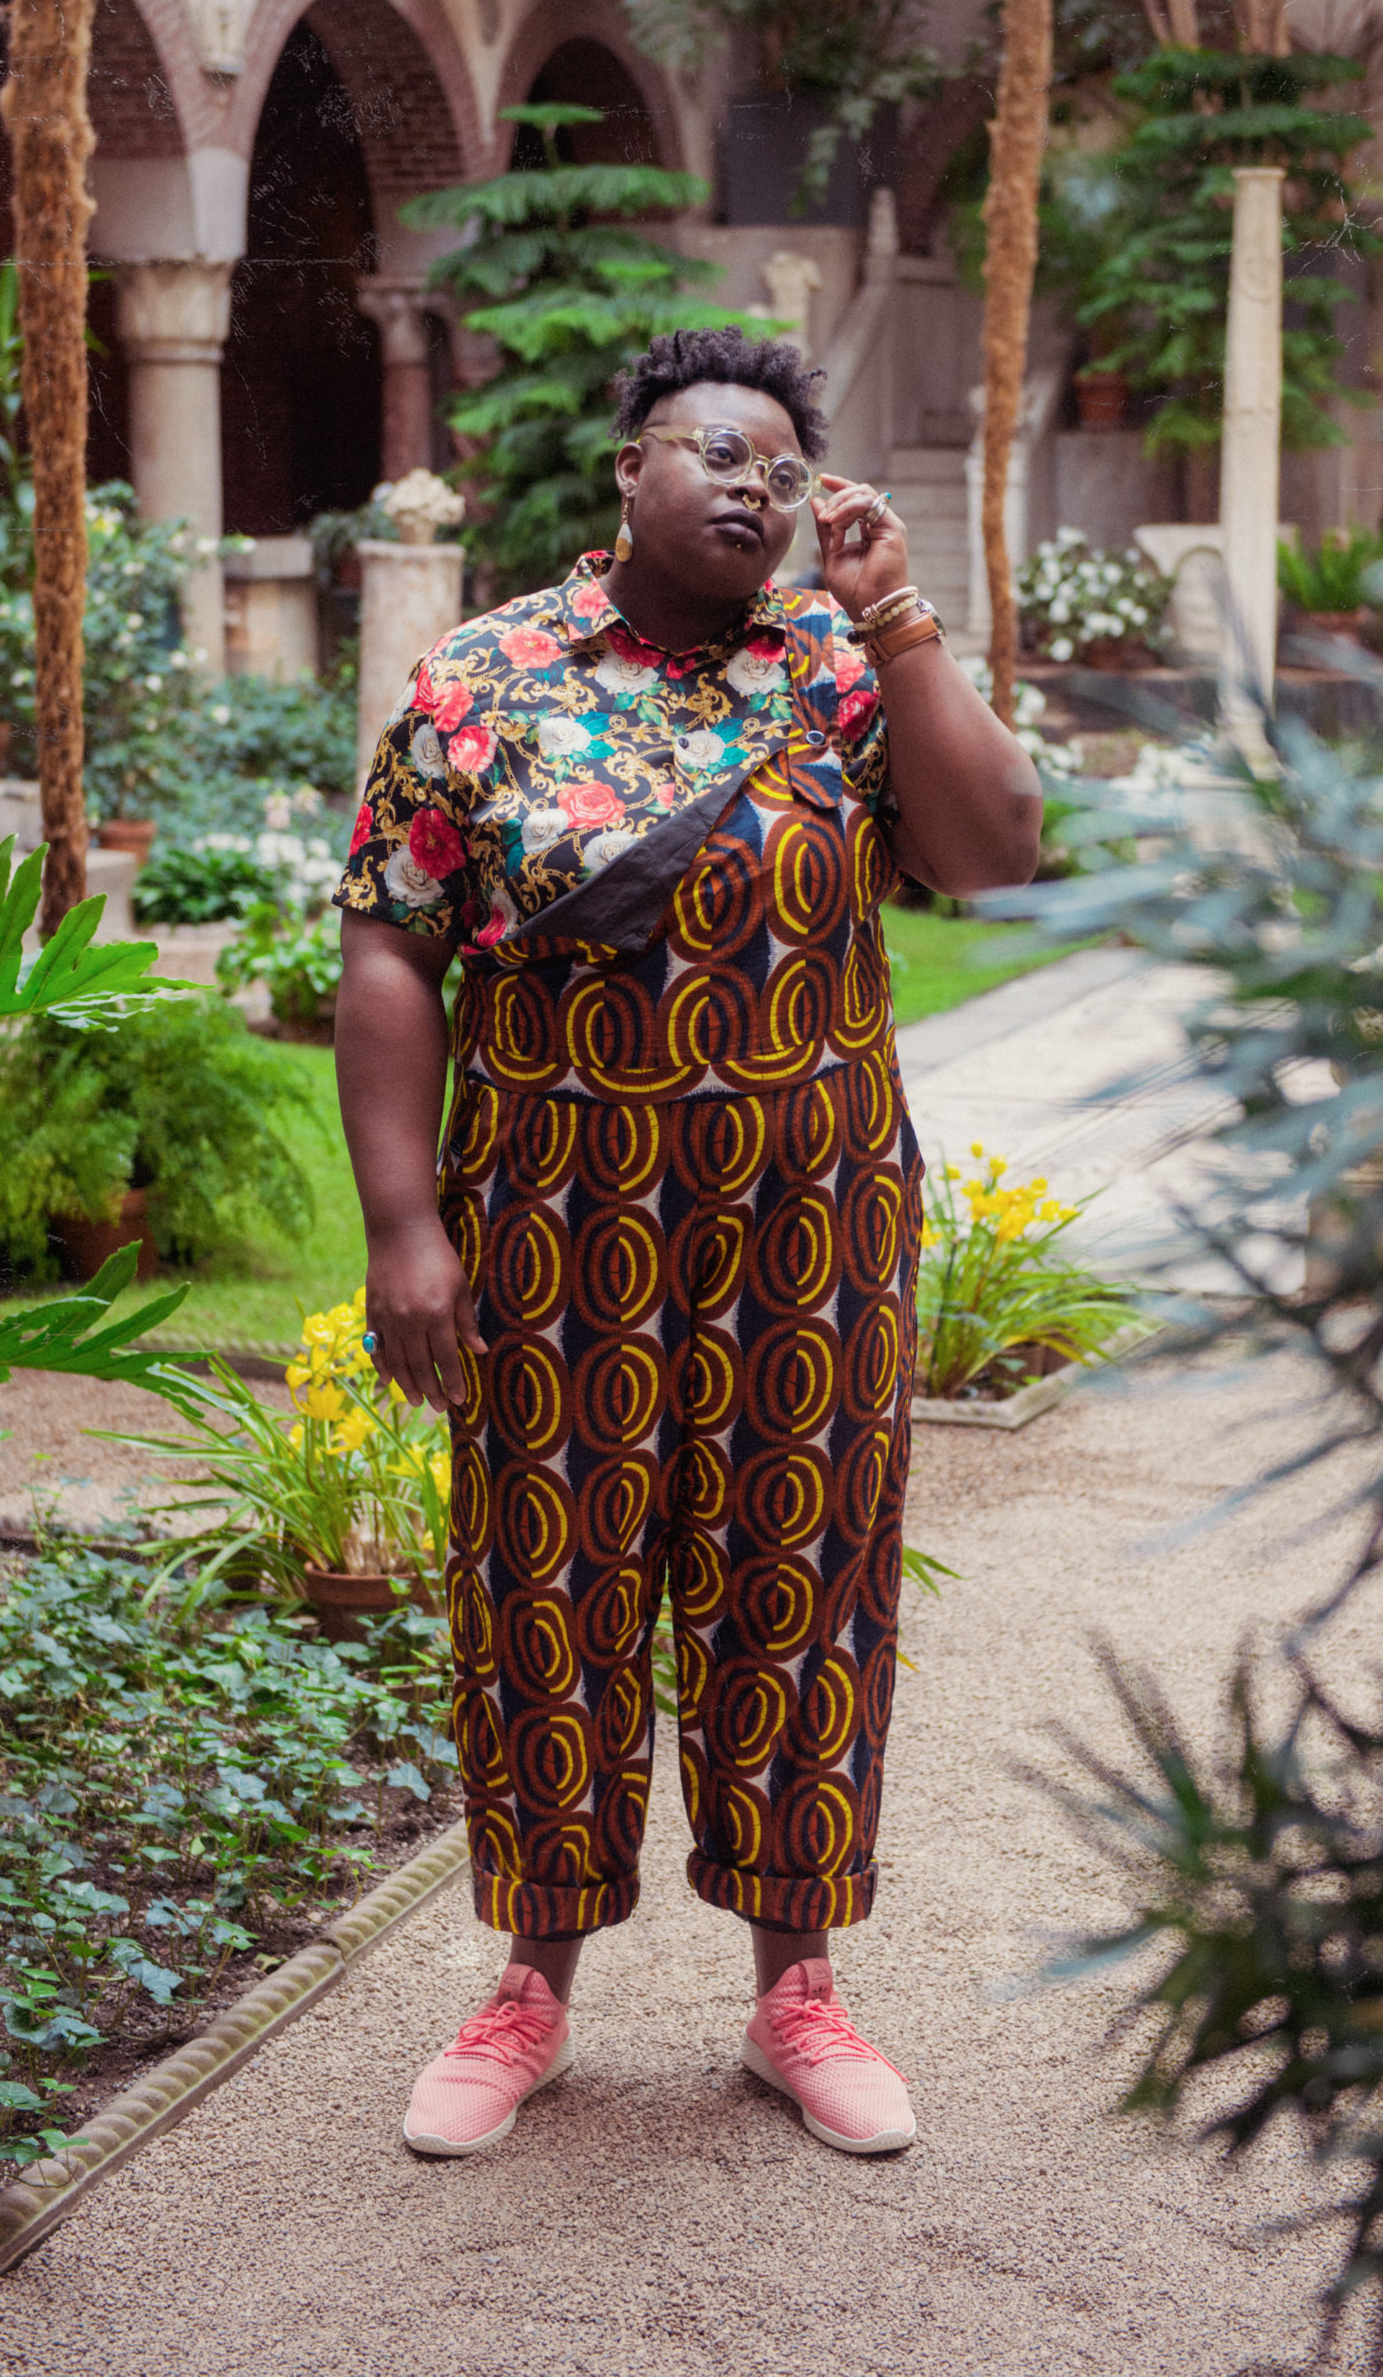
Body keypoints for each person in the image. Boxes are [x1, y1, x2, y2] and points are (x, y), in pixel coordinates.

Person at [333, 326, 1041, 2161]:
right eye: (712, 450)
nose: (751, 484)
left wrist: (900, 621)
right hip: (555, 1218)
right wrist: (406, 1226)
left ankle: (796, 1992)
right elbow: (393, 946)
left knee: (798, 1588)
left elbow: (998, 851)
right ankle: (531, 1987)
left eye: (783, 466)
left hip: (811, 1221)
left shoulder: (841, 673)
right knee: (544, 1587)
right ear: (626, 475)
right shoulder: (484, 680)